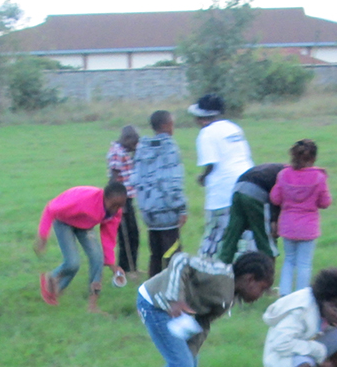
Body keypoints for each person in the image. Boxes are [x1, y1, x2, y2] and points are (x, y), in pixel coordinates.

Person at [136, 251, 274, 367]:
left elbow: (203, 323)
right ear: (250, 279)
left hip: (176, 315)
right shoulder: (219, 274)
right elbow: (181, 260)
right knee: (181, 363)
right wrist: (175, 298)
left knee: (189, 361)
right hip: (155, 304)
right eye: (262, 289)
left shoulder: (229, 298)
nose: (260, 295)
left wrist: (191, 351)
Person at [36, 183, 127, 313]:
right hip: (63, 221)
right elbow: (51, 208)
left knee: (97, 260)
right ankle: (51, 280)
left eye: (120, 206)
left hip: (85, 226)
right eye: (113, 205)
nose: (116, 209)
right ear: (104, 198)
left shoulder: (115, 212)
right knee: (72, 263)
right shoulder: (85, 201)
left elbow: (108, 236)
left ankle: (92, 305)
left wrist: (112, 265)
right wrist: (43, 236)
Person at [189, 94, 254, 258]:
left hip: (223, 192)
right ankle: (246, 265)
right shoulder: (234, 128)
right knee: (243, 235)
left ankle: (206, 266)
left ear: (202, 118)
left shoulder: (207, 133)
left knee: (215, 234)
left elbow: (211, 164)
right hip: (248, 186)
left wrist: (202, 178)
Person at [271, 139, 332, 295]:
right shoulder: (319, 177)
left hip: (288, 225)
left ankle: (284, 294)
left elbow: (275, 198)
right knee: (304, 263)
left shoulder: (284, 174)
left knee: (289, 260)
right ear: (314, 158)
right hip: (308, 227)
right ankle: (301, 296)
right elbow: (325, 202)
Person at [133, 110, 188, 277]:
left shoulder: (142, 148)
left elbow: (136, 179)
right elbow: (172, 182)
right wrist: (182, 208)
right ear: (166, 125)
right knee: (173, 255)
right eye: (172, 124)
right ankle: (175, 288)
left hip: (148, 213)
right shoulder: (170, 148)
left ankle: (152, 288)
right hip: (167, 211)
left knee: (155, 255)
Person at [215, 163, 283, 266]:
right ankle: (268, 270)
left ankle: (221, 266)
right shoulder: (290, 175)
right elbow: (277, 198)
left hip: (238, 188)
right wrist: (274, 220)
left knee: (233, 232)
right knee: (265, 238)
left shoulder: (281, 168)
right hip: (257, 191)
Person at [108, 125, 142, 274]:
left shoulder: (124, 151)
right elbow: (114, 179)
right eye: (134, 143)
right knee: (126, 236)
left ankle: (132, 267)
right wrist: (118, 202)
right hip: (122, 199)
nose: (135, 147)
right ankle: (125, 269)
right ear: (126, 139)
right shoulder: (117, 152)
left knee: (134, 234)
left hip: (128, 197)